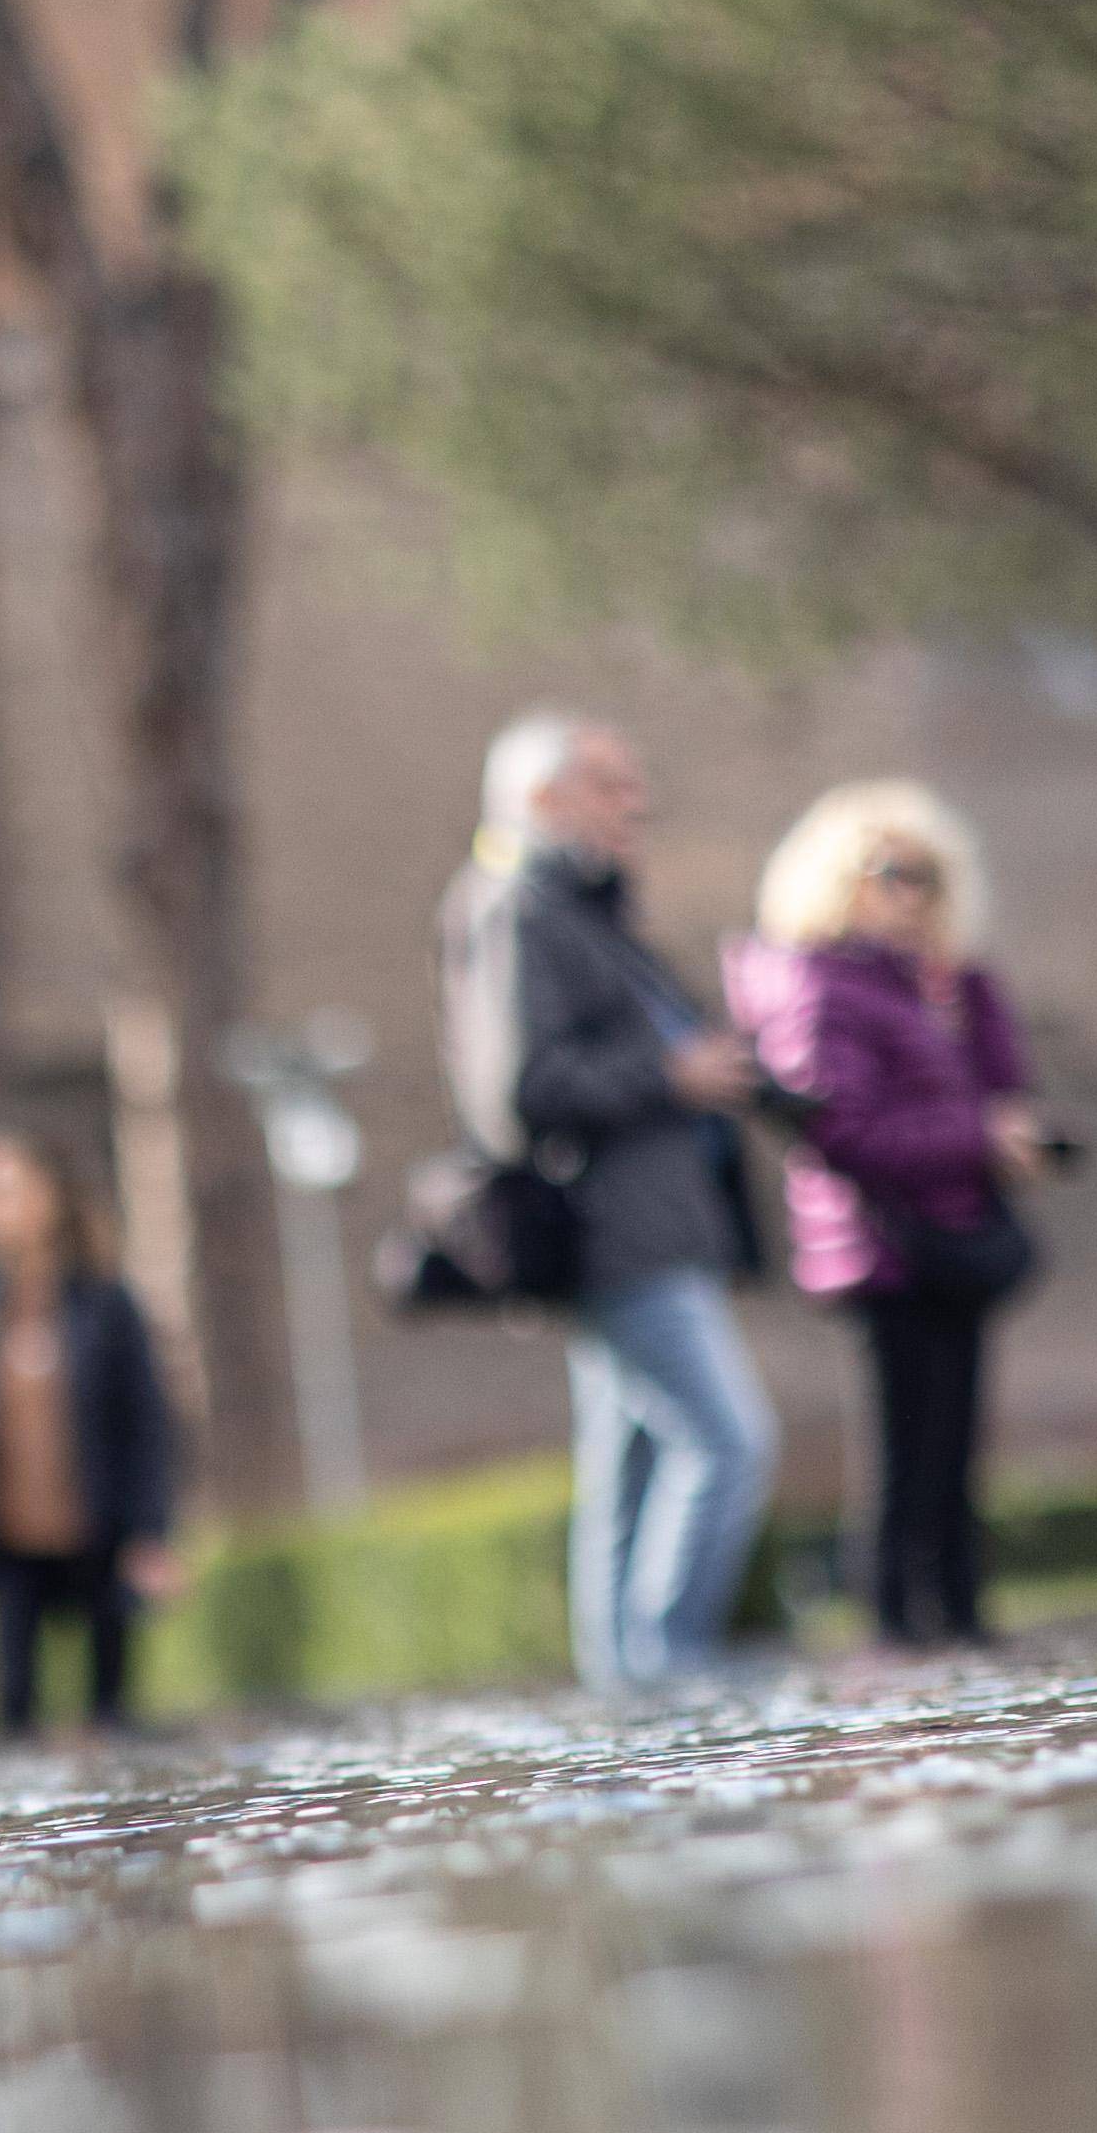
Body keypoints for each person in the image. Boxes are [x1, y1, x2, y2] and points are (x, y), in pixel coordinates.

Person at [443, 710, 782, 1690]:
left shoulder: (577, 909)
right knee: (726, 1441)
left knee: (626, 1470)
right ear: (539, 798)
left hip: (650, 1225)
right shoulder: (514, 907)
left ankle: (626, 1690)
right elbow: (516, 1094)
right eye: (606, 782)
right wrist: (667, 1073)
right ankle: (669, 1667)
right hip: (611, 1233)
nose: (633, 801)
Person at [725, 780, 1049, 1652]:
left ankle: (961, 1609)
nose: (913, 895)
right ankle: (897, 1622)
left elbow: (1002, 1081)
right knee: (903, 1445)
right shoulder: (817, 984)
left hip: (958, 1230)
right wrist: (974, 1135)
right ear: (838, 879)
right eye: (893, 874)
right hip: (881, 1244)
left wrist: (966, 1002)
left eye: (929, 877)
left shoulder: (938, 984)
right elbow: (840, 1126)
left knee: (957, 1437)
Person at [0, 1132, 179, 1736]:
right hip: (12, 1541)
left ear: (50, 1197)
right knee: (10, 1713)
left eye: (10, 1191)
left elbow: (149, 1422)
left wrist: (152, 1532)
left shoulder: (104, 1303)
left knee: (111, 1715)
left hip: (97, 1530)